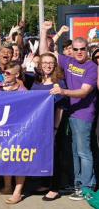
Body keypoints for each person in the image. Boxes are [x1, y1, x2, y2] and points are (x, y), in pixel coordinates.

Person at [40, 21, 98, 201]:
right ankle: (77, 183)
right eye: (76, 48)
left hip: (83, 114)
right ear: (71, 49)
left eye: (82, 49)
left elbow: (84, 92)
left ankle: (86, 186)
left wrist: (63, 91)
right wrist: (44, 32)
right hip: (69, 114)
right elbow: (45, 54)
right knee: (72, 152)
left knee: (83, 152)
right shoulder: (68, 60)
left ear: (87, 49)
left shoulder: (92, 67)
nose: (79, 52)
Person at [31, 53, 67, 201]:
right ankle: (45, 183)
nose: (48, 65)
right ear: (40, 65)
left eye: (51, 63)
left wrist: (55, 129)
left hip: (52, 126)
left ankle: (54, 188)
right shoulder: (36, 82)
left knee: (54, 157)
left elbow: (61, 108)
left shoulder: (59, 83)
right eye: (45, 62)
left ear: (55, 65)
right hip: (38, 127)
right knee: (42, 156)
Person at [0, 62, 26, 204]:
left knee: (18, 160)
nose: (4, 75)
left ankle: (18, 192)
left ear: (17, 74)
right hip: (1, 130)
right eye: (4, 72)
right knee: (4, 157)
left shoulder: (23, 91)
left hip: (18, 130)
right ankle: (7, 187)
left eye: (8, 73)